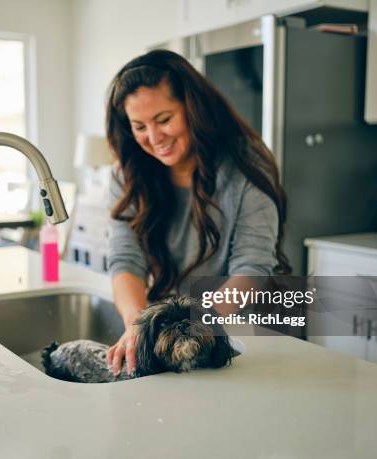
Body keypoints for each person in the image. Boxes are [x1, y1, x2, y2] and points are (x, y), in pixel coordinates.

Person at [104, 49, 290, 376]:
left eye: (163, 120)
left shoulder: (247, 166)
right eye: (139, 126)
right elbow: (125, 260)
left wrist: (196, 326)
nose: (154, 137)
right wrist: (138, 325)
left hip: (242, 329)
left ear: (194, 109)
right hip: (175, 333)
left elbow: (252, 265)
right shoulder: (127, 175)